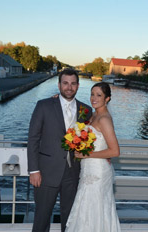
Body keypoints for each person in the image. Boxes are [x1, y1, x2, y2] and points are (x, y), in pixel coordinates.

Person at [27, 68, 92, 232]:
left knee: (70, 219)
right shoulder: (43, 106)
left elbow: (90, 139)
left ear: (78, 86)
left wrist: (101, 156)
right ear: (59, 85)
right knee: (42, 217)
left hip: (73, 173)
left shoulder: (86, 110)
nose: (69, 87)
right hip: (46, 172)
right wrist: (34, 170)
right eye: (65, 83)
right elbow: (33, 139)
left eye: (73, 84)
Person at [65, 82, 121, 232]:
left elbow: (115, 151)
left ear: (107, 98)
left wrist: (87, 153)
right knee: (85, 208)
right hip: (87, 169)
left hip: (97, 172)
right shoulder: (94, 114)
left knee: (93, 209)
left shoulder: (104, 119)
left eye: (99, 95)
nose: (94, 98)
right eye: (92, 94)